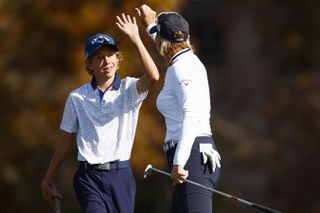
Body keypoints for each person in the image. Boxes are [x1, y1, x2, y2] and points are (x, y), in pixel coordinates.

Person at [41, 12, 159, 213]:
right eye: (100, 57)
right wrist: (47, 178)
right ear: (89, 64)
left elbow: (153, 77)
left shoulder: (129, 89)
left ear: (118, 59)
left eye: (111, 55)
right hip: (89, 177)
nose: (107, 61)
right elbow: (66, 140)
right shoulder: (77, 97)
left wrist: (136, 39)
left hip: (120, 175)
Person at [138, 4, 221, 213]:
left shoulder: (182, 68)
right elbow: (164, 44)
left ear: (163, 42)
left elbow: (191, 115)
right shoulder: (182, 60)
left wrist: (178, 163)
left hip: (191, 159)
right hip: (190, 157)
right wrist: (150, 26)